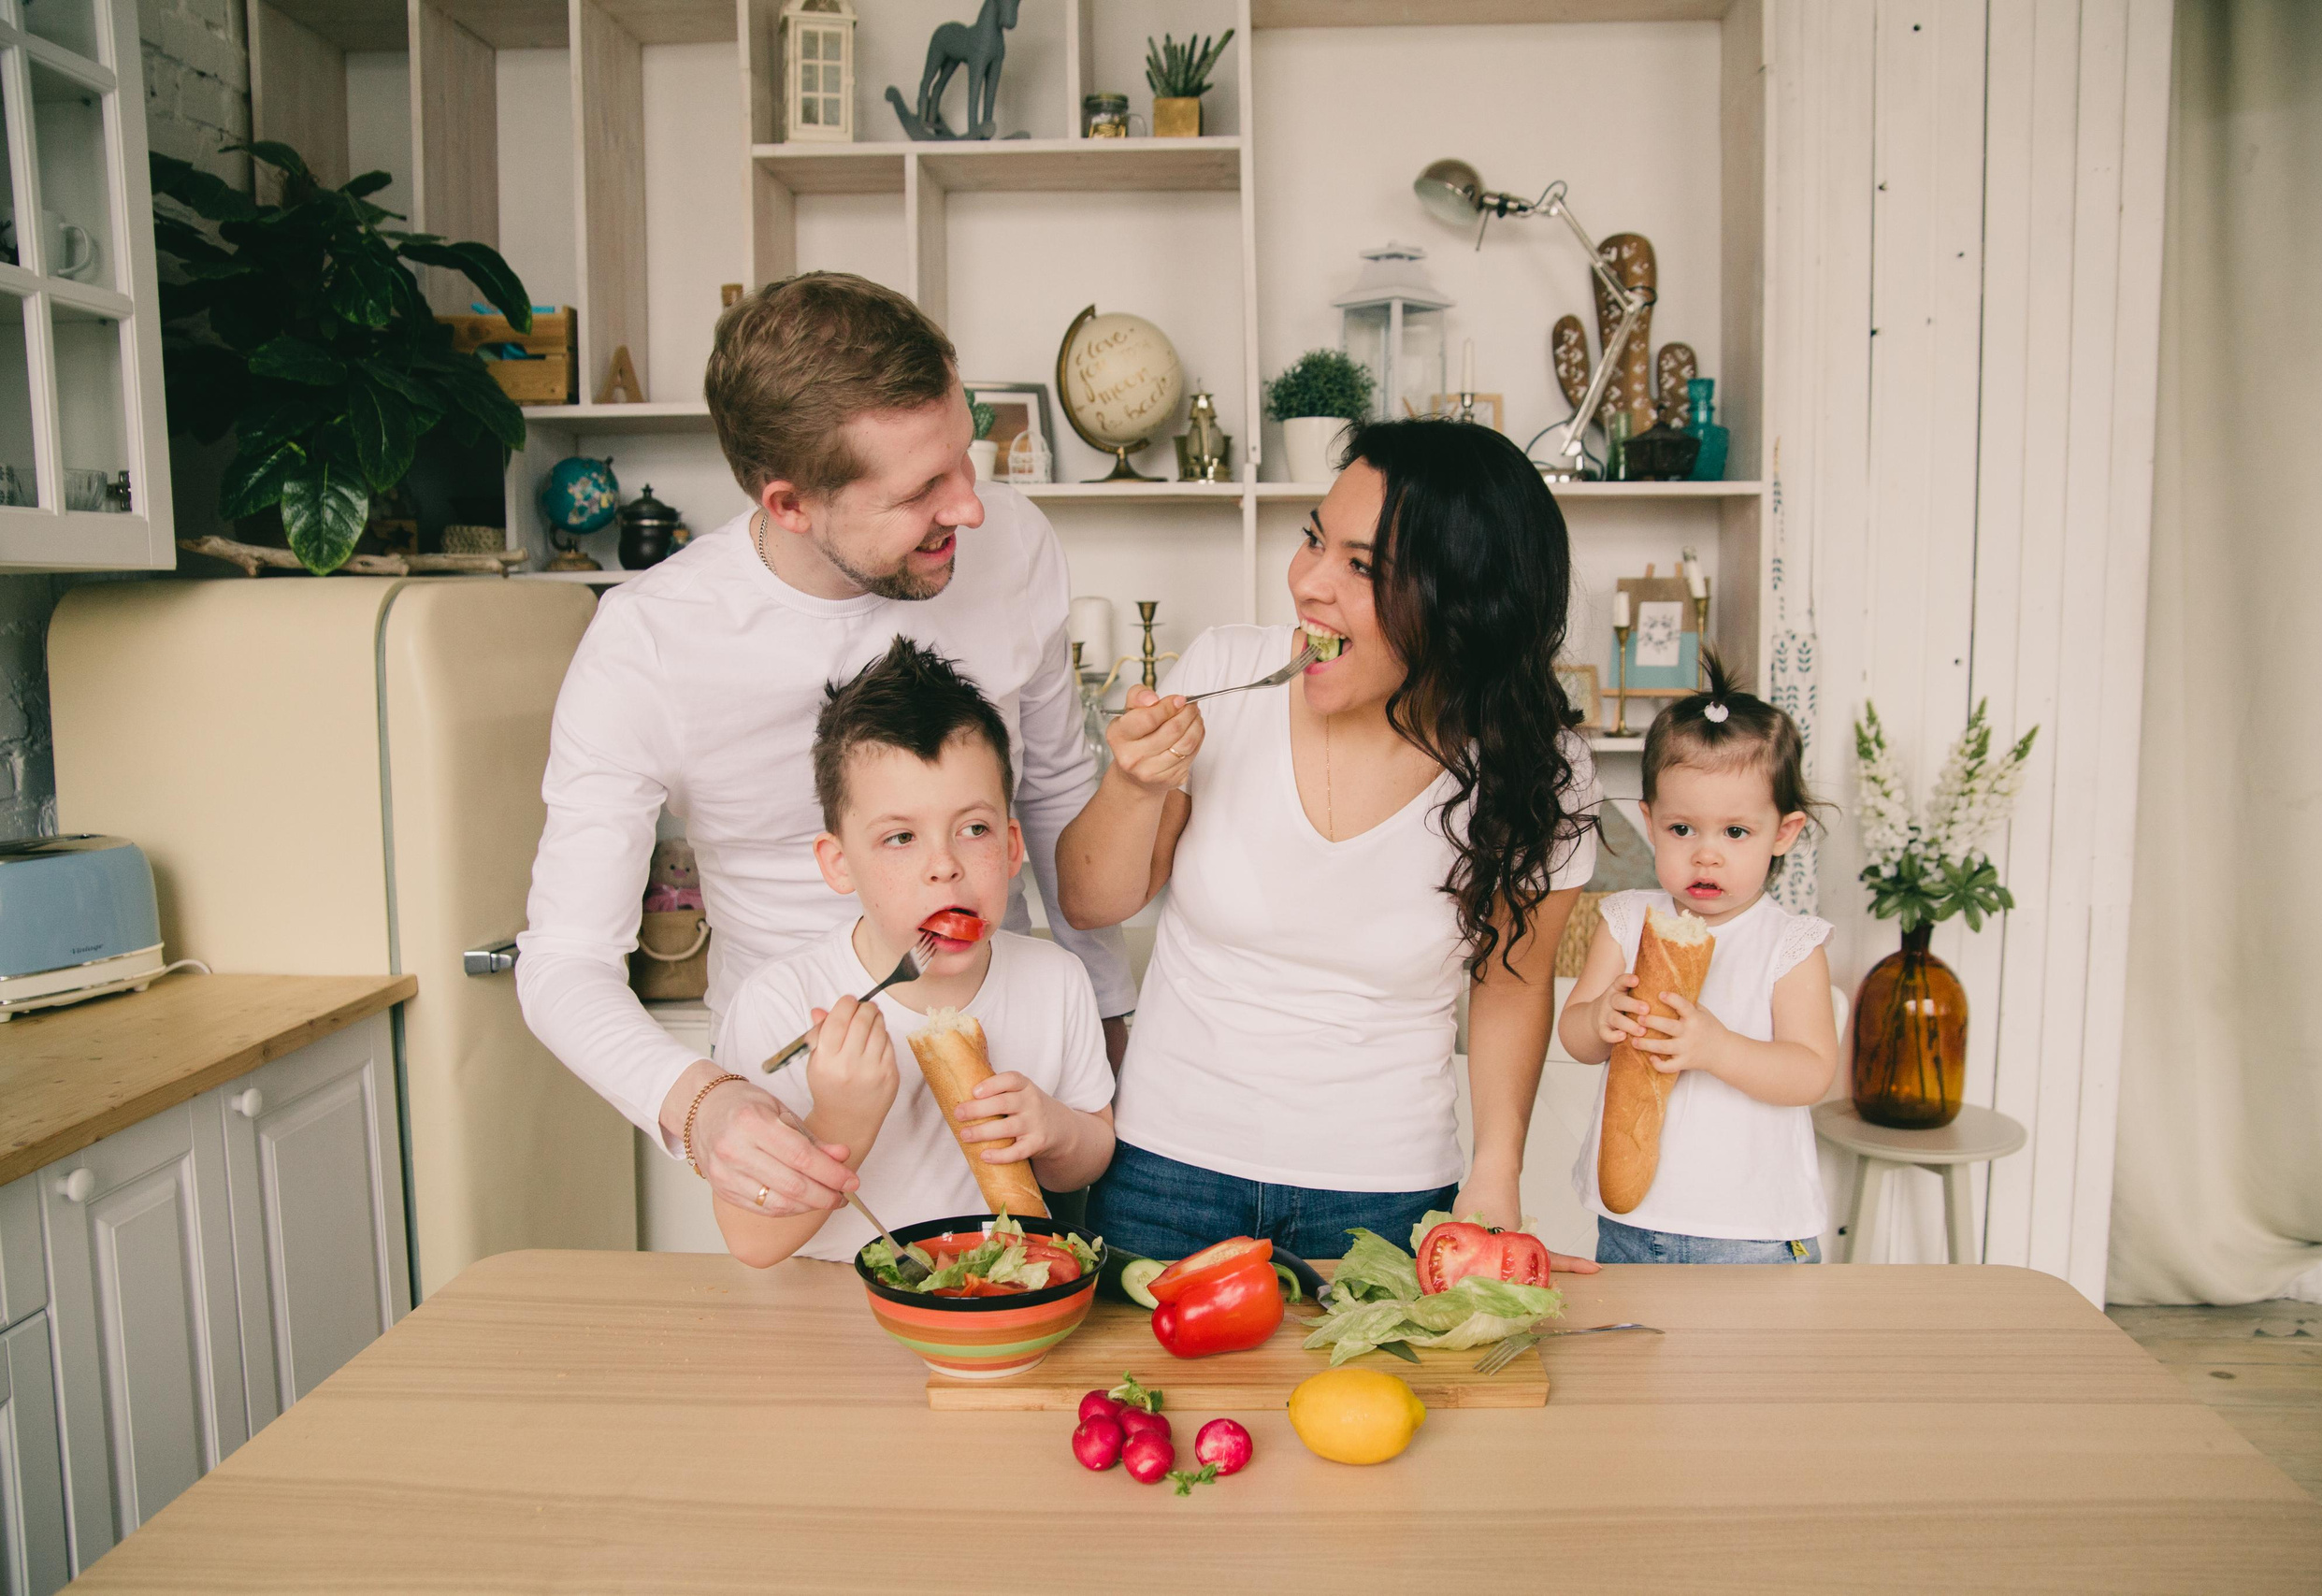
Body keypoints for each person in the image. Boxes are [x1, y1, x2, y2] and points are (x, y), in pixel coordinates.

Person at [515, 273, 1131, 1227]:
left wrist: (1108, 1023)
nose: (971, 509)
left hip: (1007, 1080)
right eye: (921, 491)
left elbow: (1050, 797)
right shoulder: (649, 644)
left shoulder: (1015, 545)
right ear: (791, 503)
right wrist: (700, 1105)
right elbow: (562, 960)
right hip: (800, 1112)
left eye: (963, 457)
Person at [1058, 418, 1605, 1261]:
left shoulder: (1539, 769)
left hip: (1385, 1194)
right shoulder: (1222, 674)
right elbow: (1091, 900)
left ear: (1463, 604)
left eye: (1363, 567)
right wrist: (1133, 784)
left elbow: (1513, 982)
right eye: (1315, 539)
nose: (1309, 583)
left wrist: (1496, 1173)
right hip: (1166, 1171)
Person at [707, 640, 1116, 1267]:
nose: (944, 866)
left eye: (973, 829)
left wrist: (1054, 1129)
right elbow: (751, 1241)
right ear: (839, 863)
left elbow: (1091, 1153)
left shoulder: (1055, 980)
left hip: (991, 1299)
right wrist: (842, 1118)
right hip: (828, 1304)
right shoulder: (780, 1002)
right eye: (900, 837)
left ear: (1011, 847)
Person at [1555, 654, 1839, 1264]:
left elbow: (1812, 1072)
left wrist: (1716, 1048)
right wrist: (1600, 1017)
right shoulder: (1628, 921)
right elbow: (1575, 1035)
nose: (1706, 855)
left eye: (1735, 832)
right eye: (1682, 829)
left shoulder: (1789, 944)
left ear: (1783, 833)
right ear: (1650, 822)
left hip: (1752, 1233)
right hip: (1631, 1223)